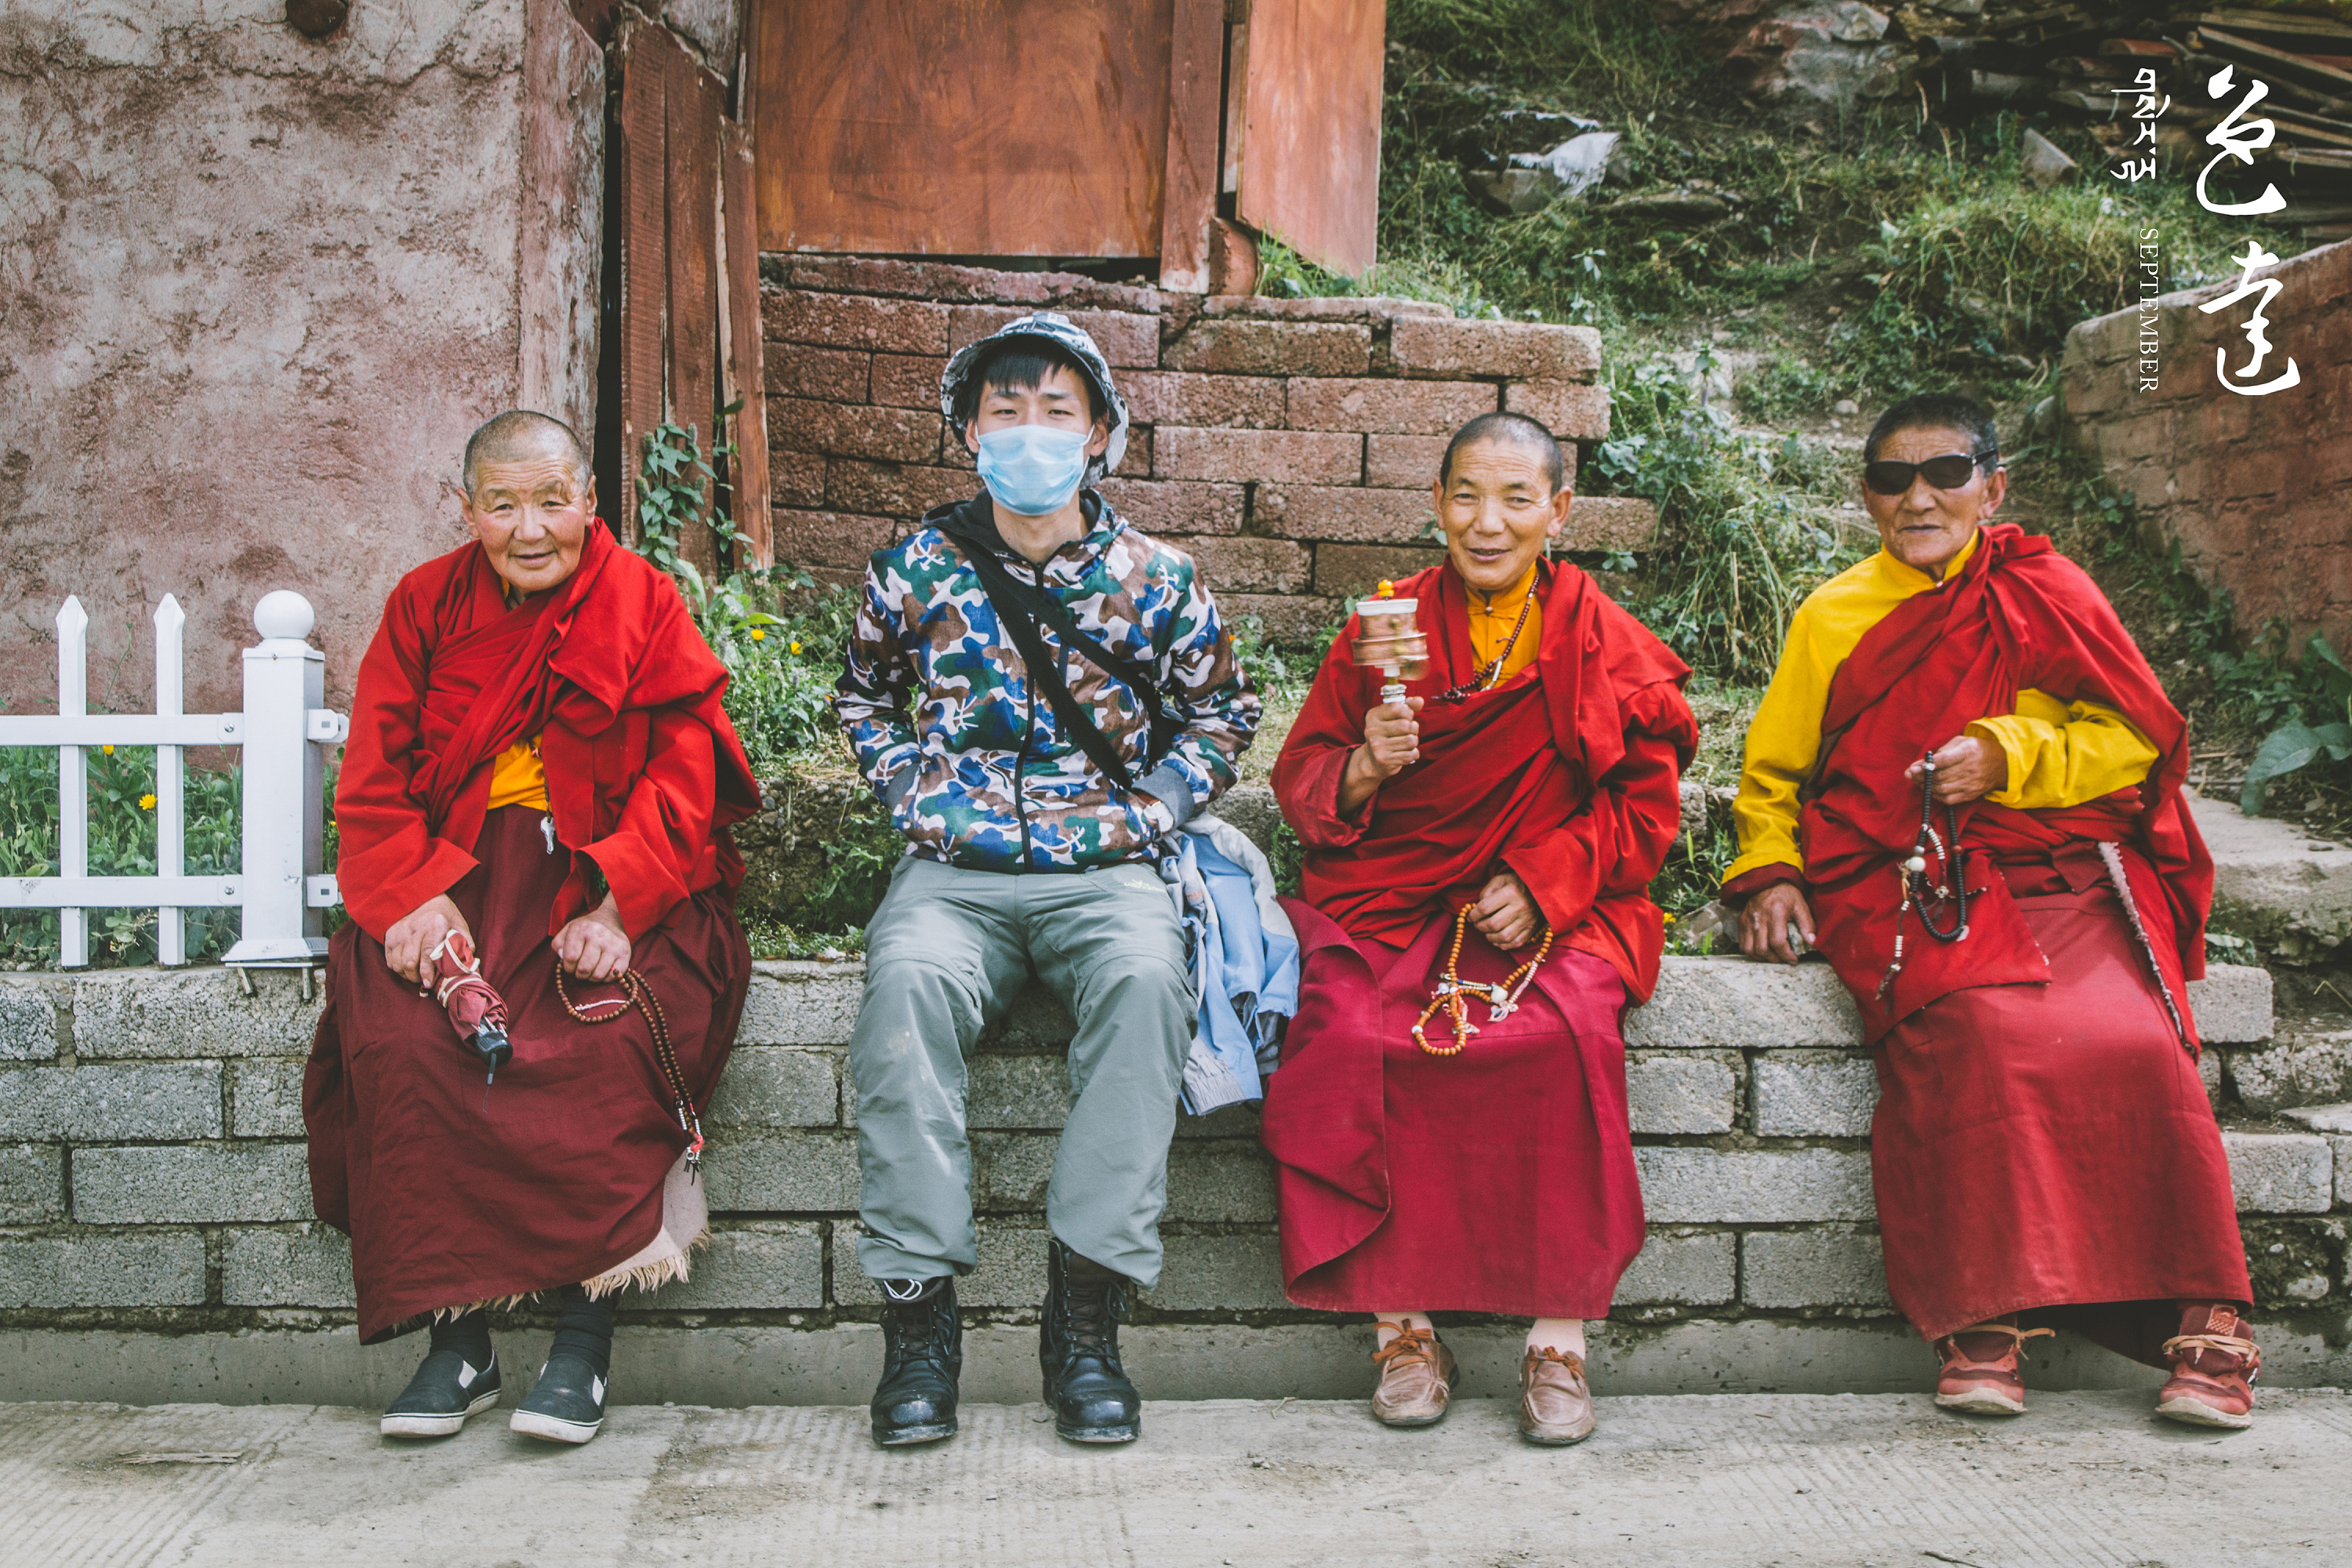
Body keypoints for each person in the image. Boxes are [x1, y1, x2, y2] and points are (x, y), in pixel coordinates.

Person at [1725, 393, 2258, 1428]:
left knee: (2137, 1044)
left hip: (2054, 865)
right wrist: (1770, 872)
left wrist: (2013, 753)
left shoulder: (2047, 591)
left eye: (1946, 474)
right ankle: (1984, 1314)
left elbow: (2136, 740)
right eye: (1893, 479)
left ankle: (2206, 1311)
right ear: (1868, 497)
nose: (1919, 498)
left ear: (1993, 487)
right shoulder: (1834, 616)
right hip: (1906, 875)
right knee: (1977, 1032)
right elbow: (1776, 775)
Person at [832, 313, 1260, 1447]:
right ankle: (919, 1326)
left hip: (1107, 866)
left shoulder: (1157, 579)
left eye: (1057, 411)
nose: (1032, 432)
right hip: (954, 869)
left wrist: (1153, 807)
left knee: (1147, 988)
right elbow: (863, 697)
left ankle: (1085, 1327)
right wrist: (915, 795)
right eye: (1006, 411)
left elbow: (1224, 712)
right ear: (969, 432)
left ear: (1100, 434)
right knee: (904, 991)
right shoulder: (915, 570)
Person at [306, 410, 759, 1446]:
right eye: (503, 505)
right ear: (465, 510)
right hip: (456, 878)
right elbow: (373, 778)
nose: (530, 528)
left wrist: (620, 907)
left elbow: (685, 773)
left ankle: (582, 1342)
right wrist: (412, 895)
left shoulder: (640, 600)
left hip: (601, 873)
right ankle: (456, 1343)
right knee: (404, 1041)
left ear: (589, 503)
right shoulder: (424, 605)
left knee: (602, 1038)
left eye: (553, 501)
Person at [1260, 412, 1696, 1445]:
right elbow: (1303, 778)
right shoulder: (1387, 627)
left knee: (1565, 1034)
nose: (1487, 523)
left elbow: (1646, 808)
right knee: (1352, 1032)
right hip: (1389, 897)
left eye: (1515, 499)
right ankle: (1403, 1331)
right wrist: (1366, 764)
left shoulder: (1601, 639)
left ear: (1559, 511)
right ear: (1438, 503)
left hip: (1551, 908)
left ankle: (1558, 1341)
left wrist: (1549, 880)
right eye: (1465, 496)